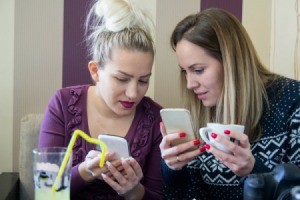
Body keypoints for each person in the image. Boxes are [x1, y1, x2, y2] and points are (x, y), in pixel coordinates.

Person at [160, 8, 300, 200]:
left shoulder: (293, 100)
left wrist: (254, 172)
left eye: (198, 70)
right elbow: (185, 196)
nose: (190, 84)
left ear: (231, 63)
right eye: (185, 71)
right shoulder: (199, 110)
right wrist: (173, 170)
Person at [38, 0, 164, 199]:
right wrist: (84, 172)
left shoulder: (155, 118)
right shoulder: (63, 104)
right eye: (122, 79)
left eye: (143, 81)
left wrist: (134, 191)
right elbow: (45, 191)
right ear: (95, 71)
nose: (133, 93)